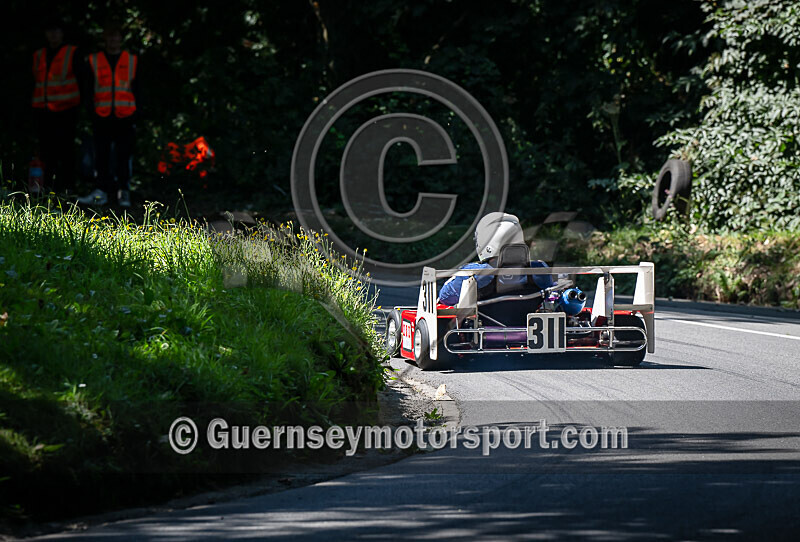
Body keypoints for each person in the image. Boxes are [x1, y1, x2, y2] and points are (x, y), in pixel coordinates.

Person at [78, 22, 138, 207]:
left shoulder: (132, 60)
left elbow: (138, 88)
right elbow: (87, 89)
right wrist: (92, 112)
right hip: (101, 116)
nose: (113, 39)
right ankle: (101, 192)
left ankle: (123, 192)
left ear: (121, 38)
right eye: (110, 35)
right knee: (101, 156)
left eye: (116, 35)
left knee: (124, 155)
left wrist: (137, 113)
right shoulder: (94, 60)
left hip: (125, 116)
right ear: (104, 38)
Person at [438, 212, 554, 306]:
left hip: (483, 328)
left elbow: (445, 298)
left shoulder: (475, 272)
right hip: (528, 327)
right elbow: (550, 297)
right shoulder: (538, 270)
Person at [31, 18, 82, 194]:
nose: (53, 34)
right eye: (50, 31)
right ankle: (46, 187)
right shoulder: (38, 55)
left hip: (66, 109)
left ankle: (67, 188)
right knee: (46, 151)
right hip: (43, 110)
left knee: (66, 150)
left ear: (62, 33)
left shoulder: (72, 52)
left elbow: (81, 80)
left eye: (56, 31)